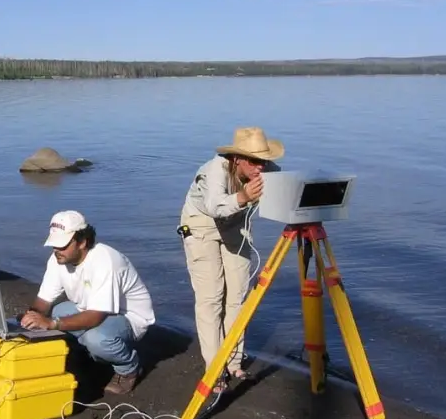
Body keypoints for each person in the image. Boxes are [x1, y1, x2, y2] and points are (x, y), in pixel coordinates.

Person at [178, 126, 284, 393]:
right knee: (211, 298)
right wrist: (245, 196)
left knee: (238, 295)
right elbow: (215, 206)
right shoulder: (214, 170)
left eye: (265, 160)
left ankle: (234, 360)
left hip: (235, 225)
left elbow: (284, 186)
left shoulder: (264, 169)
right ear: (237, 158)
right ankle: (214, 368)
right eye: (255, 161)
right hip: (201, 225)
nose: (261, 167)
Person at [20, 210, 156, 395]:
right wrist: (32, 316)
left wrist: (52, 323)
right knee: (57, 311)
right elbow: (44, 299)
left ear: (82, 242)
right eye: (54, 245)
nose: (56, 251)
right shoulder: (58, 259)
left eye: (62, 245)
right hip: (92, 310)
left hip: (128, 318)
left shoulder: (105, 261)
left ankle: (129, 368)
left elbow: (95, 316)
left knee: (96, 339)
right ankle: (89, 353)